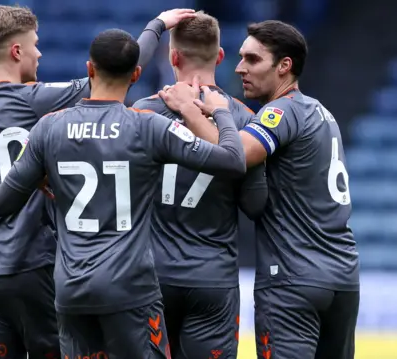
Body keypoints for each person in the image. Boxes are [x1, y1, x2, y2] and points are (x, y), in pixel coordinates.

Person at [0, 5, 195, 359]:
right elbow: (113, 72)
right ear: (16, 51)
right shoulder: (35, 100)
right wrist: (156, 26)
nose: (39, 53)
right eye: (34, 45)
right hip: (30, 260)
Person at [0, 28, 246, 359]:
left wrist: (43, 179)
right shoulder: (147, 125)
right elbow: (233, 160)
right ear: (136, 74)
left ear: (89, 69)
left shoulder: (49, 127)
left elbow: (2, 203)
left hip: (72, 291)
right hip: (131, 290)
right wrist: (221, 111)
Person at [160, 20, 359, 359]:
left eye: (252, 60)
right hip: (342, 277)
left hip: (293, 279)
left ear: (284, 67)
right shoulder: (321, 113)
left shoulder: (280, 111)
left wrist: (190, 110)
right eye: (240, 58)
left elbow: (234, 155)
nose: (239, 68)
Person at [132, 12, 267, 359]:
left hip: (151, 277)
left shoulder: (143, 113)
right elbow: (255, 206)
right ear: (220, 56)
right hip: (212, 278)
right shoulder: (243, 121)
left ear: (172, 57)